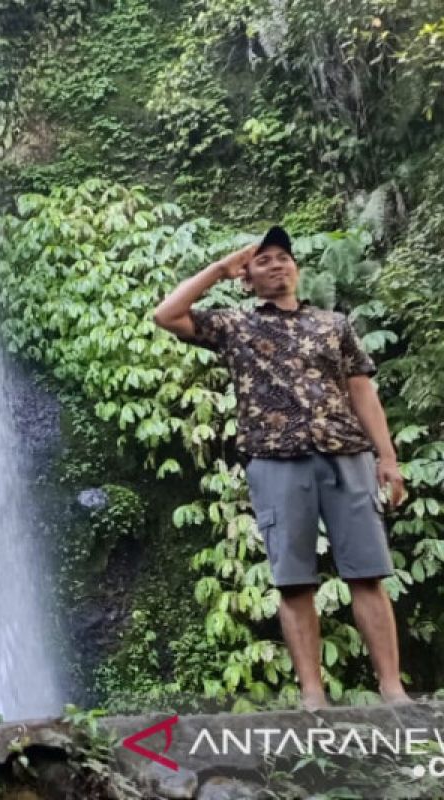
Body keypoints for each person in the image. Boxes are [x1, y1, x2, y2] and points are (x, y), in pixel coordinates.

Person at [153, 226, 411, 711]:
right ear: (247, 278)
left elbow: (362, 391)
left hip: (346, 454)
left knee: (368, 573)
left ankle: (393, 690)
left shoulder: (334, 325)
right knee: (294, 581)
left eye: (283, 258)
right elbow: (166, 315)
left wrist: (388, 457)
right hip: (275, 460)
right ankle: (313, 696)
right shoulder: (235, 327)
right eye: (264, 260)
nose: (277, 264)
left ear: (297, 268)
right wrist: (217, 270)